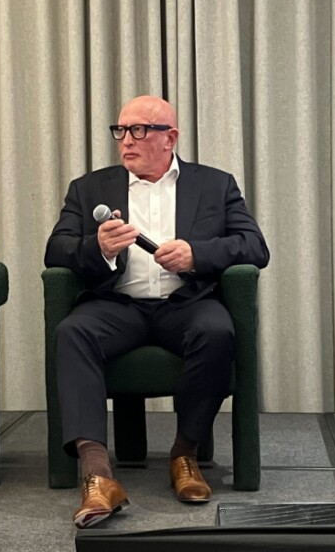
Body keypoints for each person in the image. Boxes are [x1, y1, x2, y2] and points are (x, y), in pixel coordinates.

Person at [45, 95, 270, 528]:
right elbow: (56, 249)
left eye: (139, 130)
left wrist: (196, 254)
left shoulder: (214, 185)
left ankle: (184, 454)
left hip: (184, 305)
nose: (126, 140)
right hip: (117, 304)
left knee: (217, 332)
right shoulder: (89, 187)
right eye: (121, 130)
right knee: (73, 332)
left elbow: (254, 246)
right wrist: (99, 248)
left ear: (171, 137)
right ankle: (97, 473)